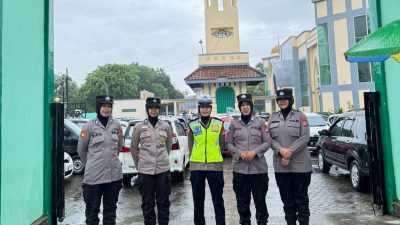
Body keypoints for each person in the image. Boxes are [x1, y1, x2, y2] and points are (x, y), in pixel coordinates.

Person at [77, 95, 124, 225]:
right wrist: (91, 165)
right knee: (92, 213)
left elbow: (119, 146)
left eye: (109, 106)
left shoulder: (116, 125)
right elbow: (81, 150)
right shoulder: (88, 126)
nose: (106, 109)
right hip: (94, 178)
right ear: (98, 107)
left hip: (113, 177)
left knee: (110, 212)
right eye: (103, 106)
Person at [267, 88, 312, 225]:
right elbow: (268, 138)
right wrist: (281, 151)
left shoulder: (301, 116)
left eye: (285, 99)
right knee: (287, 201)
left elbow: (305, 137)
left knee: (301, 200)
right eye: (280, 100)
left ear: (290, 100)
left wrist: (288, 152)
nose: (282, 101)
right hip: (282, 167)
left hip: (300, 167)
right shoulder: (273, 118)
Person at [227, 93, 271, 225]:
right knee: (242, 203)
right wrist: (240, 154)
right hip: (240, 170)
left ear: (251, 106)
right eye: (242, 105)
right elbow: (229, 143)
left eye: (247, 105)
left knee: (260, 202)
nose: (245, 107)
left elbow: (268, 141)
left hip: (258, 170)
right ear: (239, 107)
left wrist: (254, 153)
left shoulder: (260, 122)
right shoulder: (234, 123)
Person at [130, 97, 173, 225]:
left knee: (163, 203)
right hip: (145, 172)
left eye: (156, 108)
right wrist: (141, 165)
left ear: (159, 109)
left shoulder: (166, 126)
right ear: (147, 109)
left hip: (162, 171)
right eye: (151, 108)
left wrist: (162, 160)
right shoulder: (139, 127)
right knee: (148, 204)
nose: (153, 110)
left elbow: (168, 147)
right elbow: (133, 148)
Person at [188, 94, 226, 225]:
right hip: (197, 167)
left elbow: (221, 144)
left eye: (207, 107)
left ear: (210, 108)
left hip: (215, 166)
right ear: (199, 109)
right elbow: (191, 145)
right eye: (202, 107)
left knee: (218, 200)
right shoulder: (192, 125)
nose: (204, 110)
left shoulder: (218, 124)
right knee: (198, 201)